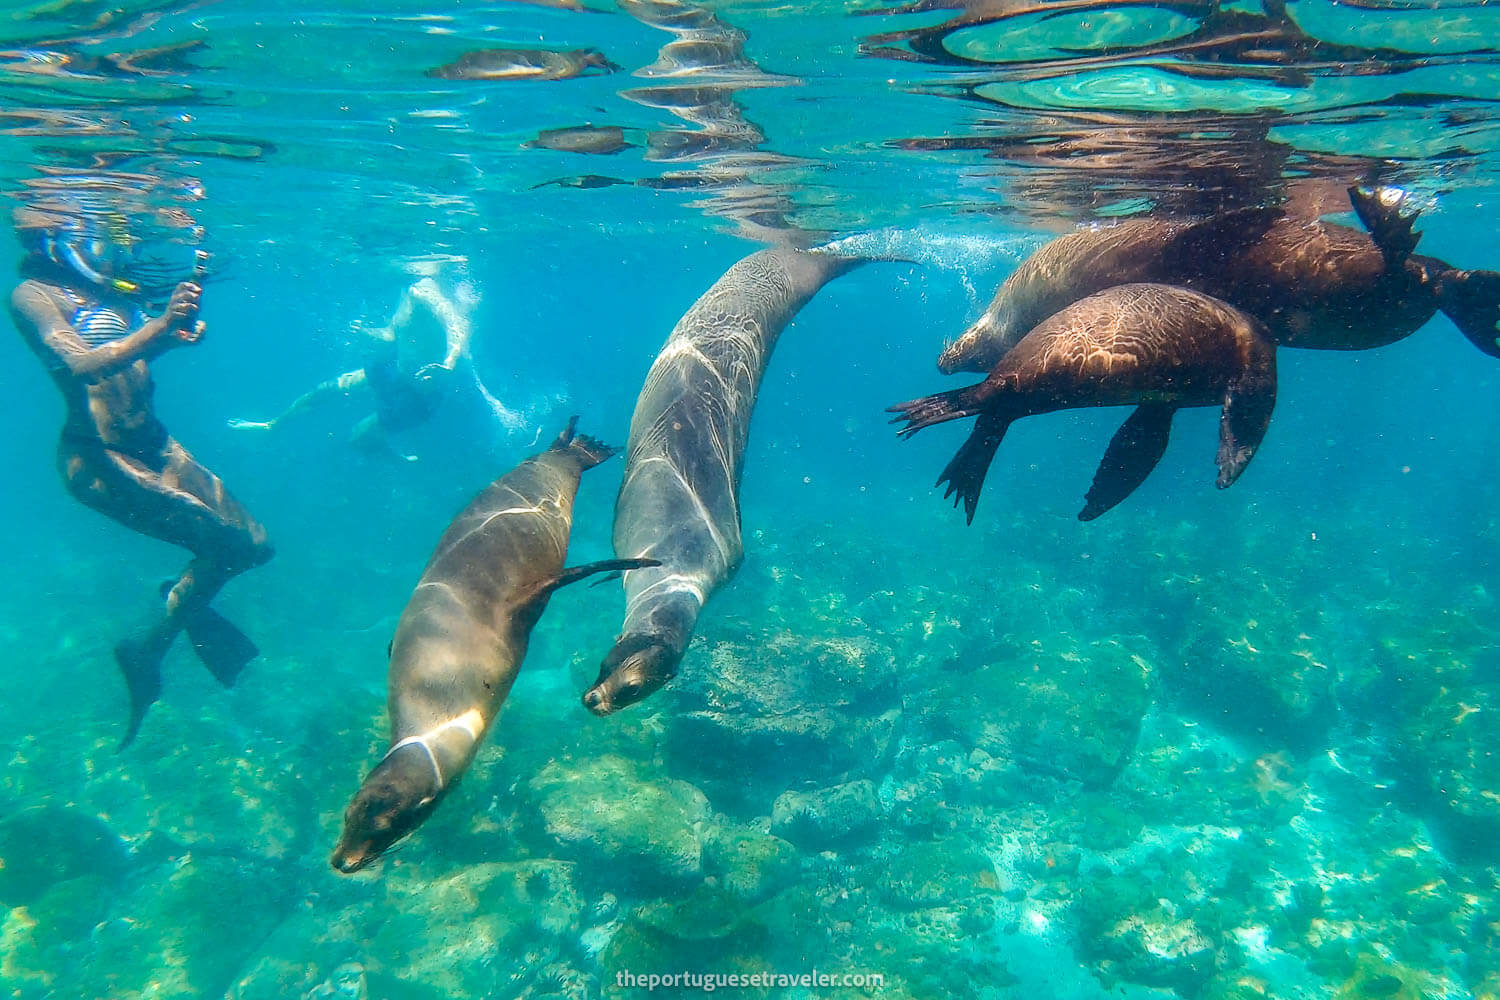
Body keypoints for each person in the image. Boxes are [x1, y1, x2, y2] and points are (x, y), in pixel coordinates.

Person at [9, 203, 273, 749]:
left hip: (156, 443)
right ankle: (165, 624)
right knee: (225, 544)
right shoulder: (35, 295)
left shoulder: (107, 283)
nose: (104, 243)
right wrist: (156, 331)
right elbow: (82, 365)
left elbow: (129, 356)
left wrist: (169, 339)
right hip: (100, 457)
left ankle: (161, 628)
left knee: (254, 545)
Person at [228, 264, 519, 459]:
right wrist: (369, 334)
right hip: (394, 371)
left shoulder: (423, 290)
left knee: (359, 438)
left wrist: (450, 363)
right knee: (325, 390)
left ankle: (394, 457)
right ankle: (272, 425)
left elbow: (457, 324)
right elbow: (395, 336)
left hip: (420, 391)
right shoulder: (405, 291)